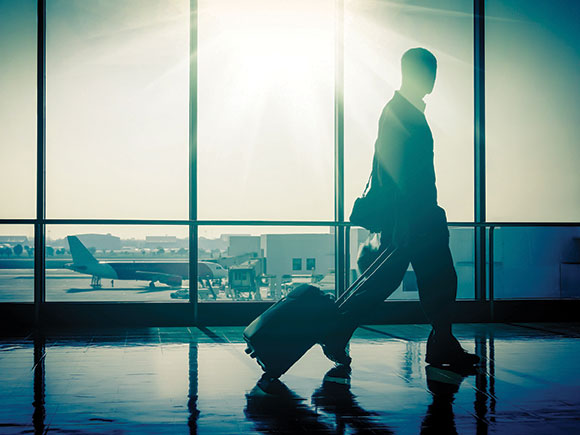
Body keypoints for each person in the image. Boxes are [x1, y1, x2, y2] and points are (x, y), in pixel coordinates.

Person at [323, 48, 479, 368]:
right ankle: (438, 344)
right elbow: (396, 170)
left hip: (415, 214)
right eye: (428, 72)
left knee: (405, 280)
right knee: (429, 279)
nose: (432, 79)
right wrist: (405, 219)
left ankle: (438, 342)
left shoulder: (404, 111)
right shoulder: (401, 113)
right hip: (414, 216)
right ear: (409, 73)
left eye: (434, 72)